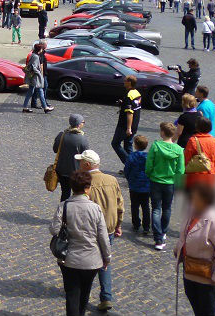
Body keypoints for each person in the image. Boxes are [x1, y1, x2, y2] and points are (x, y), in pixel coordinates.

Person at [49, 170, 111, 316]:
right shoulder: (95, 208)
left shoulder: (64, 206)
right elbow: (103, 237)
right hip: (92, 261)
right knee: (85, 293)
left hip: (69, 259)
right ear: (87, 188)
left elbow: (53, 230)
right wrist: (107, 258)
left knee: (71, 295)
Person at [77, 150, 123, 312]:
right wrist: (118, 225)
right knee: (105, 261)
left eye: (81, 162)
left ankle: (81, 292)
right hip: (109, 227)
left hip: (90, 229)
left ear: (87, 165)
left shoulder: (84, 181)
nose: (79, 164)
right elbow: (119, 204)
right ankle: (106, 296)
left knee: (86, 261)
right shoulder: (112, 179)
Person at [173, 183, 215, 316]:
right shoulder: (190, 213)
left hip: (206, 276)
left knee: (207, 310)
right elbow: (185, 235)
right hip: (189, 269)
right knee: (194, 302)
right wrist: (178, 249)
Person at [146, 122, 184, 251]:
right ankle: (163, 232)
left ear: (162, 132)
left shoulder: (156, 146)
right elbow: (180, 170)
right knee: (167, 208)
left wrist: (150, 174)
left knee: (156, 209)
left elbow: (149, 164)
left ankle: (158, 238)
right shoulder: (179, 150)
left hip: (156, 181)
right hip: (170, 183)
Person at [53, 114, 89, 201]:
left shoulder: (61, 135)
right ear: (79, 124)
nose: (83, 123)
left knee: (65, 193)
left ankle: (63, 211)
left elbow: (55, 149)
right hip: (76, 172)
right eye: (83, 122)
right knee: (77, 194)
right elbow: (86, 155)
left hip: (61, 170)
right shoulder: (82, 139)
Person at [110, 75, 141, 164]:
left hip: (125, 126)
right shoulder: (137, 93)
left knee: (115, 144)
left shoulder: (129, 95)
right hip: (135, 124)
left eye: (125, 81)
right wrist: (123, 103)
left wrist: (128, 128)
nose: (124, 82)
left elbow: (130, 113)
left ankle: (130, 164)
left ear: (129, 83)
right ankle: (130, 168)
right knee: (128, 145)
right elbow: (135, 107)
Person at [123, 135, 150, 235]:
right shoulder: (148, 157)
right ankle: (146, 226)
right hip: (146, 186)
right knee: (146, 206)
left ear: (135, 145)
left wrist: (129, 179)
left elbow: (127, 170)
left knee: (134, 206)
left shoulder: (131, 156)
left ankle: (136, 224)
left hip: (134, 186)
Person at [184, 117, 215, 190]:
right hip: (210, 173)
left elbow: (187, 158)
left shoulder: (193, 141)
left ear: (197, 128)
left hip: (195, 175)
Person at [23, 43, 53, 113]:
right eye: (41, 49)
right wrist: (39, 73)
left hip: (33, 78)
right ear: (39, 50)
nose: (42, 50)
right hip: (35, 78)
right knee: (40, 91)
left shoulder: (33, 55)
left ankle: (25, 107)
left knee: (30, 92)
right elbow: (34, 67)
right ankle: (45, 107)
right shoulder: (36, 57)